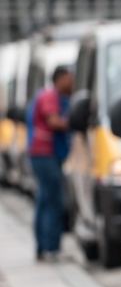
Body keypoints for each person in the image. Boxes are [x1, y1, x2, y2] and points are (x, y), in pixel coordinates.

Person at [28, 66, 73, 262]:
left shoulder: (50, 95)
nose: (72, 83)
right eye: (69, 79)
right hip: (44, 154)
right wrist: (72, 122)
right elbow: (54, 122)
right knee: (52, 200)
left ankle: (43, 246)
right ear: (60, 78)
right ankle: (50, 247)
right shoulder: (49, 96)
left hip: (43, 154)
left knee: (45, 198)